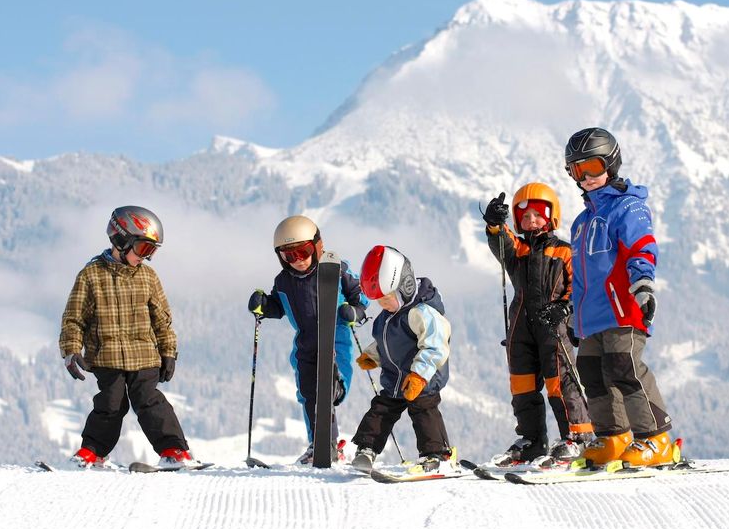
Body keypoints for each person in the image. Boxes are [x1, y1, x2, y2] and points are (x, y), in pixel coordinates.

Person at [564, 127, 676, 467]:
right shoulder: (582, 222)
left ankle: (655, 439)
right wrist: (573, 314)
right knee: (593, 374)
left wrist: (643, 285)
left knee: (624, 367)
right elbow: (582, 277)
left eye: (592, 168)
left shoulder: (628, 207)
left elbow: (641, 246)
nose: (585, 178)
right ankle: (615, 438)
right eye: (576, 171)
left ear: (611, 165)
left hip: (622, 309)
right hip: (591, 316)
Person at [59, 206, 199, 469]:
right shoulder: (91, 276)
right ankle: (92, 452)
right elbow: (74, 318)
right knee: (110, 404)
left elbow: (163, 320)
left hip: (145, 355)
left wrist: (169, 352)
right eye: (144, 249)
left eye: (152, 252)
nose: (147, 258)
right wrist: (71, 349)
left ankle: (174, 450)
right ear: (121, 239)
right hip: (107, 357)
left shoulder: (147, 277)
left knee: (149, 400)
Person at [482, 182, 594, 466]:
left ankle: (576, 438)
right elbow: (502, 242)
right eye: (525, 216)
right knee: (522, 386)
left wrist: (564, 307)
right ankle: (532, 441)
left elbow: (578, 287)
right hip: (521, 328)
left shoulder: (564, 252)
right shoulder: (518, 250)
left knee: (560, 383)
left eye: (538, 214)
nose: (532, 221)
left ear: (551, 215)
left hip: (554, 329)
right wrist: (495, 224)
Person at [247, 215, 368, 464]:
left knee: (331, 388)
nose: (299, 260)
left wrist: (354, 311)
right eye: (289, 256)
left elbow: (361, 295)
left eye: (303, 252)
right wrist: (263, 305)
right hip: (305, 344)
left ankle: (332, 408)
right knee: (309, 393)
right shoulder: (283, 281)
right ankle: (320, 444)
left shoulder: (337, 269)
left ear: (317, 246)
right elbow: (278, 307)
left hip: (336, 338)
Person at [350, 245, 456, 474]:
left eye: (386, 299)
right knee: (381, 409)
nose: (383, 305)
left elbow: (436, 345)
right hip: (396, 378)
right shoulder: (389, 315)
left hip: (422, 378)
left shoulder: (422, 312)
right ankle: (366, 450)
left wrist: (419, 375)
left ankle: (436, 455)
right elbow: (386, 342)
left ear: (404, 287)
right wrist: (373, 355)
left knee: (424, 410)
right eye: (379, 301)